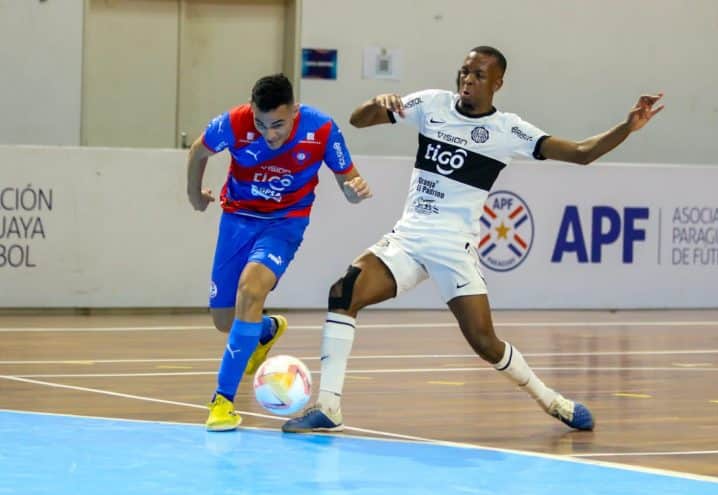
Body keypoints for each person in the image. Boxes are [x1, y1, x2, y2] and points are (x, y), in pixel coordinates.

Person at [282, 46, 663, 433]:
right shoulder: (430, 104)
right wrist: (376, 102)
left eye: (479, 75)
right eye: (464, 71)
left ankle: (552, 400)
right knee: (344, 292)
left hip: (453, 249)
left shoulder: (507, 130)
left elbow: (582, 153)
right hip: (410, 239)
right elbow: (359, 120)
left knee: (484, 342)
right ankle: (329, 407)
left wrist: (627, 126)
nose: (468, 80)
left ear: (498, 83)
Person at [186, 73, 372, 431]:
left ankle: (221, 402)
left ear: (295, 111)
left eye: (278, 125)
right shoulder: (234, 123)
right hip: (237, 220)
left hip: (284, 225)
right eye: (261, 124)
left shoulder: (321, 130)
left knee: (250, 290)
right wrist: (194, 195)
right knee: (225, 320)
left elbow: (348, 179)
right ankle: (267, 329)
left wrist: (354, 191)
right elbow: (198, 151)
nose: (269, 134)